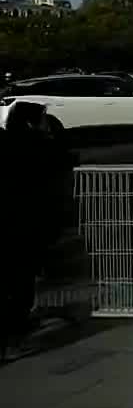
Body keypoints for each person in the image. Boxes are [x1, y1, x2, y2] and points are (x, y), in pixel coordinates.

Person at [1, 102, 73, 350]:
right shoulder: (39, 148)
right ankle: (13, 331)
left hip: (12, 223)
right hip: (26, 224)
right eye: (43, 119)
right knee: (22, 279)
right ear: (31, 123)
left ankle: (14, 327)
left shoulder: (7, 143)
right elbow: (62, 159)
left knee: (14, 279)